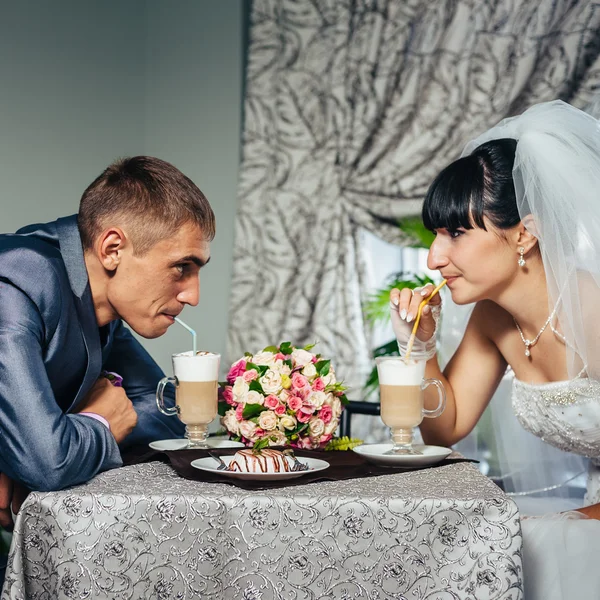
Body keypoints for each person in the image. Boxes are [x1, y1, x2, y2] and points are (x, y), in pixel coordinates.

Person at [389, 100, 600, 599]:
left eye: (455, 233)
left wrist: (578, 521)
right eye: (437, 234)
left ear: (524, 233)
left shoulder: (593, 312)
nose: (434, 258)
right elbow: (446, 427)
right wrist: (420, 350)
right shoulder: (492, 319)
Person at [0, 156, 214, 532]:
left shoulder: (104, 310)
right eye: (182, 266)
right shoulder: (17, 282)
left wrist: (31, 448)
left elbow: (164, 416)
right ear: (112, 248)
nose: (193, 296)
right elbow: (48, 462)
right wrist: (99, 422)